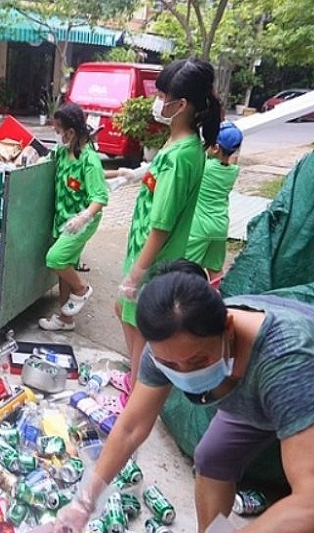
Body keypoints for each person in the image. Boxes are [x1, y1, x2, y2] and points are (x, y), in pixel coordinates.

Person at [55, 260, 314, 533]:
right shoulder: (170, 344)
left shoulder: (288, 360)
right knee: (212, 457)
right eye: (170, 365)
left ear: (228, 328)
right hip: (254, 392)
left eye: (198, 362)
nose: (183, 372)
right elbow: (131, 426)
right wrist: (85, 499)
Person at [117, 58, 222, 392]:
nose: (156, 102)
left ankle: (135, 395)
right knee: (122, 311)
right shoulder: (176, 144)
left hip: (152, 261)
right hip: (143, 255)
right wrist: (137, 173)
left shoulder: (182, 155)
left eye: (161, 95)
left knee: (140, 336)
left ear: (182, 105)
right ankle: (135, 382)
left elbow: (162, 225)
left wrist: (137, 274)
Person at [37, 103, 108, 334]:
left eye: (59, 130)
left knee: (55, 259)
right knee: (66, 265)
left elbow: (99, 197)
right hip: (63, 217)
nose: (57, 135)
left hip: (81, 221)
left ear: (71, 132)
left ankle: (81, 289)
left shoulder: (90, 159)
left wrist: (84, 217)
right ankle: (66, 319)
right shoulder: (62, 152)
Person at [185, 121, 243, 282]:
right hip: (220, 227)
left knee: (185, 271)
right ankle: (219, 301)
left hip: (199, 228)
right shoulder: (233, 171)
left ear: (216, 147)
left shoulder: (205, 167)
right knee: (215, 271)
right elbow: (232, 158)